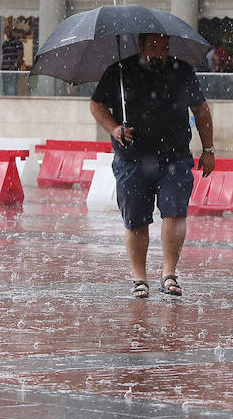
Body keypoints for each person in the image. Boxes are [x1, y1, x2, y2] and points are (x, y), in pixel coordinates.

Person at [90, 33, 215, 299]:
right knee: (136, 219)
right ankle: (139, 278)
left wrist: (208, 149)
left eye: (164, 48)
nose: (159, 53)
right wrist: (113, 128)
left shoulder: (182, 71)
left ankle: (169, 273)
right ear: (140, 46)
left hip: (175, 157)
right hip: (131, 159)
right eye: (154, 47)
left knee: (175, 213)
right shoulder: (120, 71)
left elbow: (201, 110)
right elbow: (96, 104)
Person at [0, 29, 24, 96]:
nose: (7, 33)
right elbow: (4, 56)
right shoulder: (4, 44)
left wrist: (15, 65)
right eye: (6, 32)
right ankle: (6, 102)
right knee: (5, 87)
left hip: (13, 70)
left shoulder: (17, 43)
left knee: (12, 87)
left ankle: (12, 103)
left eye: (9, 31)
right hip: (5, 69)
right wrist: (2, 66)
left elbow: (20, 55)